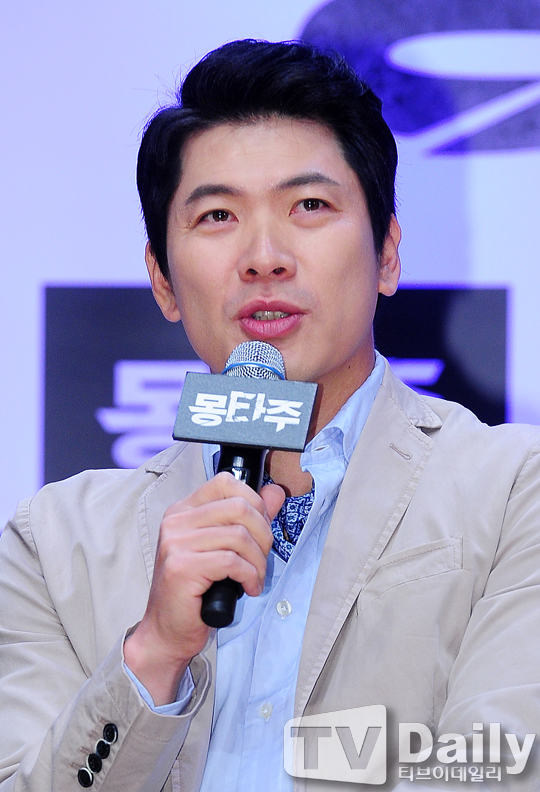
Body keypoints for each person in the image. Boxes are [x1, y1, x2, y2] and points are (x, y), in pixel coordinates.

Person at [1, 38, 540, 792]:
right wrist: (152, 654)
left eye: (309, 206)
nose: (264, 256)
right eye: (218, 214)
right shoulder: (56, 545)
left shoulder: (512, 490)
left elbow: (506, 764)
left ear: (387, 252)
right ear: (162, 280)